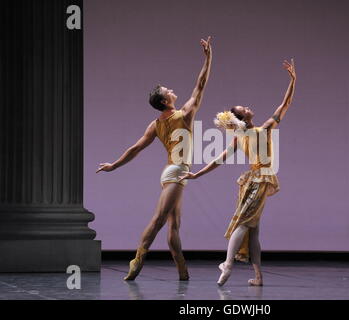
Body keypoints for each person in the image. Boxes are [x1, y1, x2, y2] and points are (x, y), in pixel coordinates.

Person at [96, 36, 213, 281]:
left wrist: (114, 165)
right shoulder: (186, 114)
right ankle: (138, 259)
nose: (171, 90)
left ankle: (182, 270)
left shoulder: (155, 124)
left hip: (172, 173)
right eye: (167, 91)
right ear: (164, 101)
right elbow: (200, 84)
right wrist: (208, 57)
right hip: (177, 172)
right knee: (159, 219)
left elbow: (135, 148)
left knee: (174, 225)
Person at [180, 59, 297, 286]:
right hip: (256, 181)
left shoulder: (258, 131)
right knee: (247, 226)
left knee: (247, 226)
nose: (247, 107)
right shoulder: (251, 134)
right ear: (241, 118)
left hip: (258, 180)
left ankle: (243, 270)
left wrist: (293, 80)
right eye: (243, 109)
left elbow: (285, 104)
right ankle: (237, 268)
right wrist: (197, 175)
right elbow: (218, 160)